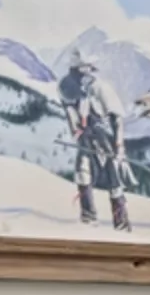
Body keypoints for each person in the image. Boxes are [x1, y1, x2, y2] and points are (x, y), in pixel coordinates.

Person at [58, 59, 135, 231]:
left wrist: (119, 145)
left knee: (114, 180)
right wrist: (76, 131)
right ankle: (88, 216)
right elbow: (71, 113)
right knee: (82, 173)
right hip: (86, 138)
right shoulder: (68, 87)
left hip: (106, 139)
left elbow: (117, 119)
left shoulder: (101, 88)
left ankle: (121, 222)